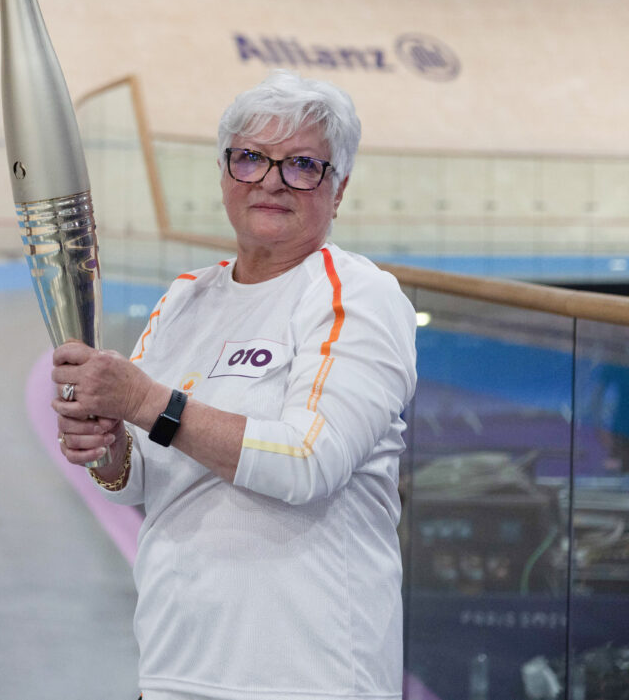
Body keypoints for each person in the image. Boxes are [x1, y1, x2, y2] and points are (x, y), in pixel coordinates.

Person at [52, 69, 417, 700]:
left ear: (340, 189)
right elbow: (136, 478)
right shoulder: (184, 300)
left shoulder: (358, 296)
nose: (272, 180)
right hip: (174, 668)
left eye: (302, 164)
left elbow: (308, 461)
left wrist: (141, 399)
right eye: (251, 158)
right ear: (225, 174)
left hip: (311, 677)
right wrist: (106, 444)